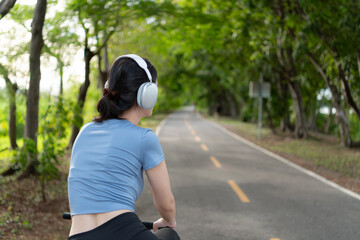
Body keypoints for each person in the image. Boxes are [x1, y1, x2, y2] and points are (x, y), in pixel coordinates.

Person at [67, 54, 180, 240]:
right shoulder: (145, 138)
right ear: (147, 93)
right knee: (169, 235)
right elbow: (166, 203)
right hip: (124, 232)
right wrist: (168, 220)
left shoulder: (84, 132)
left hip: (78, 235)